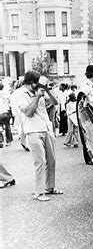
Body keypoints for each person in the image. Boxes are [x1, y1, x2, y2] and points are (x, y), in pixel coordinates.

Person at [16, 71, 62, 202]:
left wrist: (48, 90)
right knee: (40, 162)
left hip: (46, 128)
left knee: (51, 160)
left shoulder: (40, 91)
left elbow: (55, 103)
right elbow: (28, 112)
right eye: (36, 84)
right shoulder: (19, 94)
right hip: (33, 130)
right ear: (30, 83)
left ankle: (50, 187)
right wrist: (37, 97)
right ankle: (39, 192)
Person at [77, 65, 93, 165]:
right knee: (86, 135)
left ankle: (92, 156)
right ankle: (88, 158)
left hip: (89, 111)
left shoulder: (89, 85)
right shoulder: (86, 86)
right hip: (85, 113)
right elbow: (82, 100)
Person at [0, 82, 13, 147]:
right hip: (6, 112)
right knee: (7, 126)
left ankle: (0, 141)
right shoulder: (6, 94)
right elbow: (11, 102)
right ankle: (9, 141)